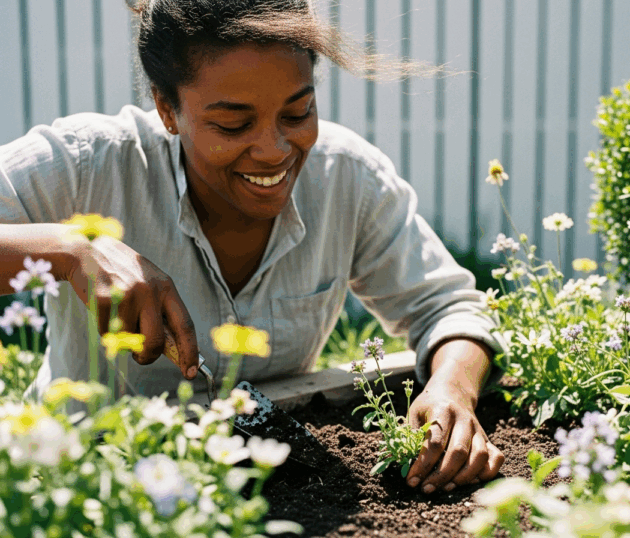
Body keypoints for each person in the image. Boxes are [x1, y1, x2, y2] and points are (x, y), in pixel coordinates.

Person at [0, 0, 504, 494]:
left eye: (298, 112)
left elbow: (446, 307)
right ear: (166, 109)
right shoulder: (89, 165)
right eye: (233, 124)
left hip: (270, 488)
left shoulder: (347, 178)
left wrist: (452, 388)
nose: (274, 149)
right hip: (78, 489)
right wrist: (70, 249)